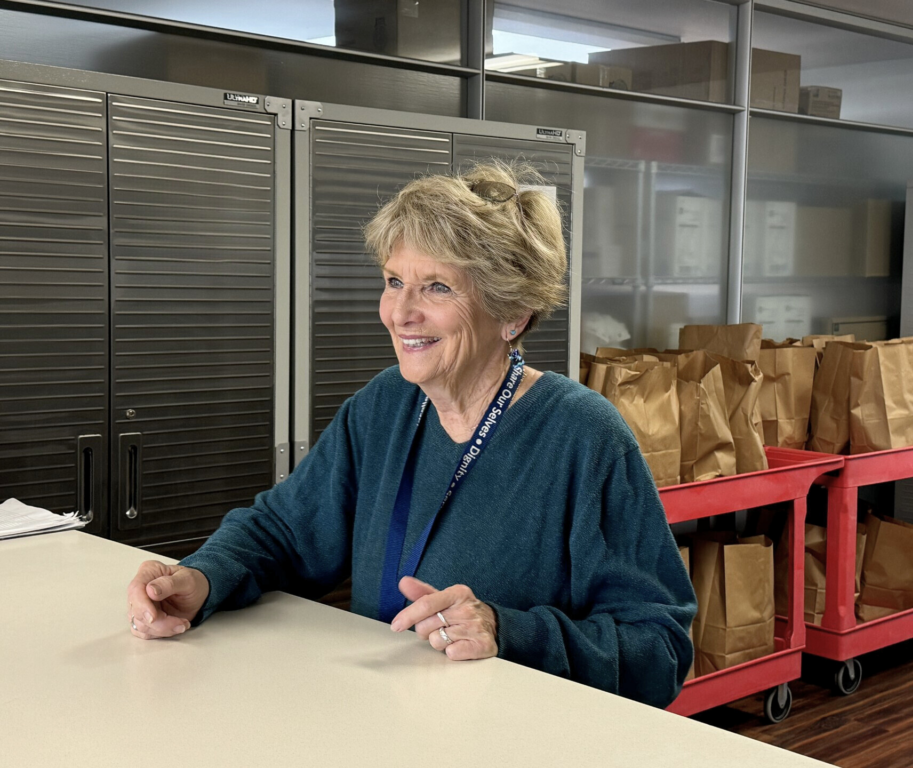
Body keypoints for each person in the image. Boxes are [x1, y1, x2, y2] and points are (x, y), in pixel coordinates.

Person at [125, 161, 696, 708]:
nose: (401, 313)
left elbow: (660, 648)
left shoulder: (583, 437)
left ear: (513, 313)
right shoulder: (387, 406)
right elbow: (283, 531)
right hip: (388, 719)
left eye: (437, 288)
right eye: (394, 281)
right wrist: (201, 578)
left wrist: (509, 631)